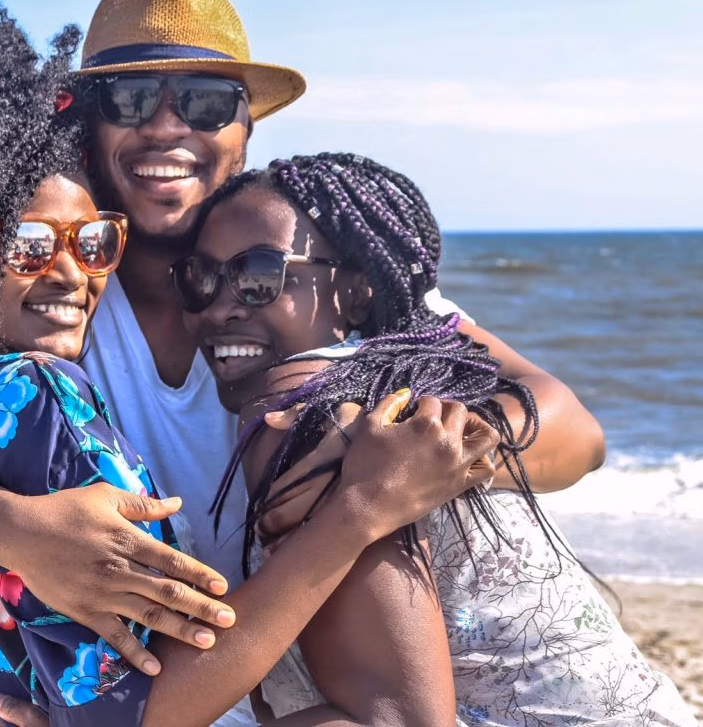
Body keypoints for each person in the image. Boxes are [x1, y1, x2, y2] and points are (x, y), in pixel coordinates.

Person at [0, 0, 603, 723]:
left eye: (207, 102)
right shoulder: (43, 291)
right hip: (185, 688)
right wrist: (26, 533)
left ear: (245, 130)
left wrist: (407, 454)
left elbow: (570, 429)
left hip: (283, 681)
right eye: (131, 97)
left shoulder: (299, 281)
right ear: (83, 122)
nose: (167, 125)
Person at [173, 152, 696, 725]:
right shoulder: (420, 366)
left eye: (258, 277)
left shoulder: (304, 415)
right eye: (199, 279)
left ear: (357, 288)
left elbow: (396, 720)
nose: (219, 307)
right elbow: (576, 429)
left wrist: (439, 450)